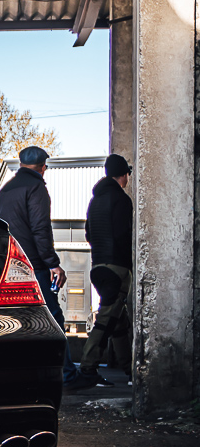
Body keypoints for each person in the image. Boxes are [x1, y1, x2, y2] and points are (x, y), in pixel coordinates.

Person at [0, 146, 79, 385]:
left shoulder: (5, 190)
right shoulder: (36, 188)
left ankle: (22, 375)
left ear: (21, 165)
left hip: (9, 264)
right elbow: (40, 228)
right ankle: (67, 374)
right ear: (43, 167)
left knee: (18, 321)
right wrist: (53, 264)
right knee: (51, 317)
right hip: (33, 266)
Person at [74, 155, 133, 389]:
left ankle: (130, 369)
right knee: (107, 320)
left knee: (119, 321)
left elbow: (88, 233)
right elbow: (123, 234)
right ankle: (88, 368)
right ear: (123, 175)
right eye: (127, 174)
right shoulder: (121, 199)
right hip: (116, 267)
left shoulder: (95, 200)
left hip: (97, 266)